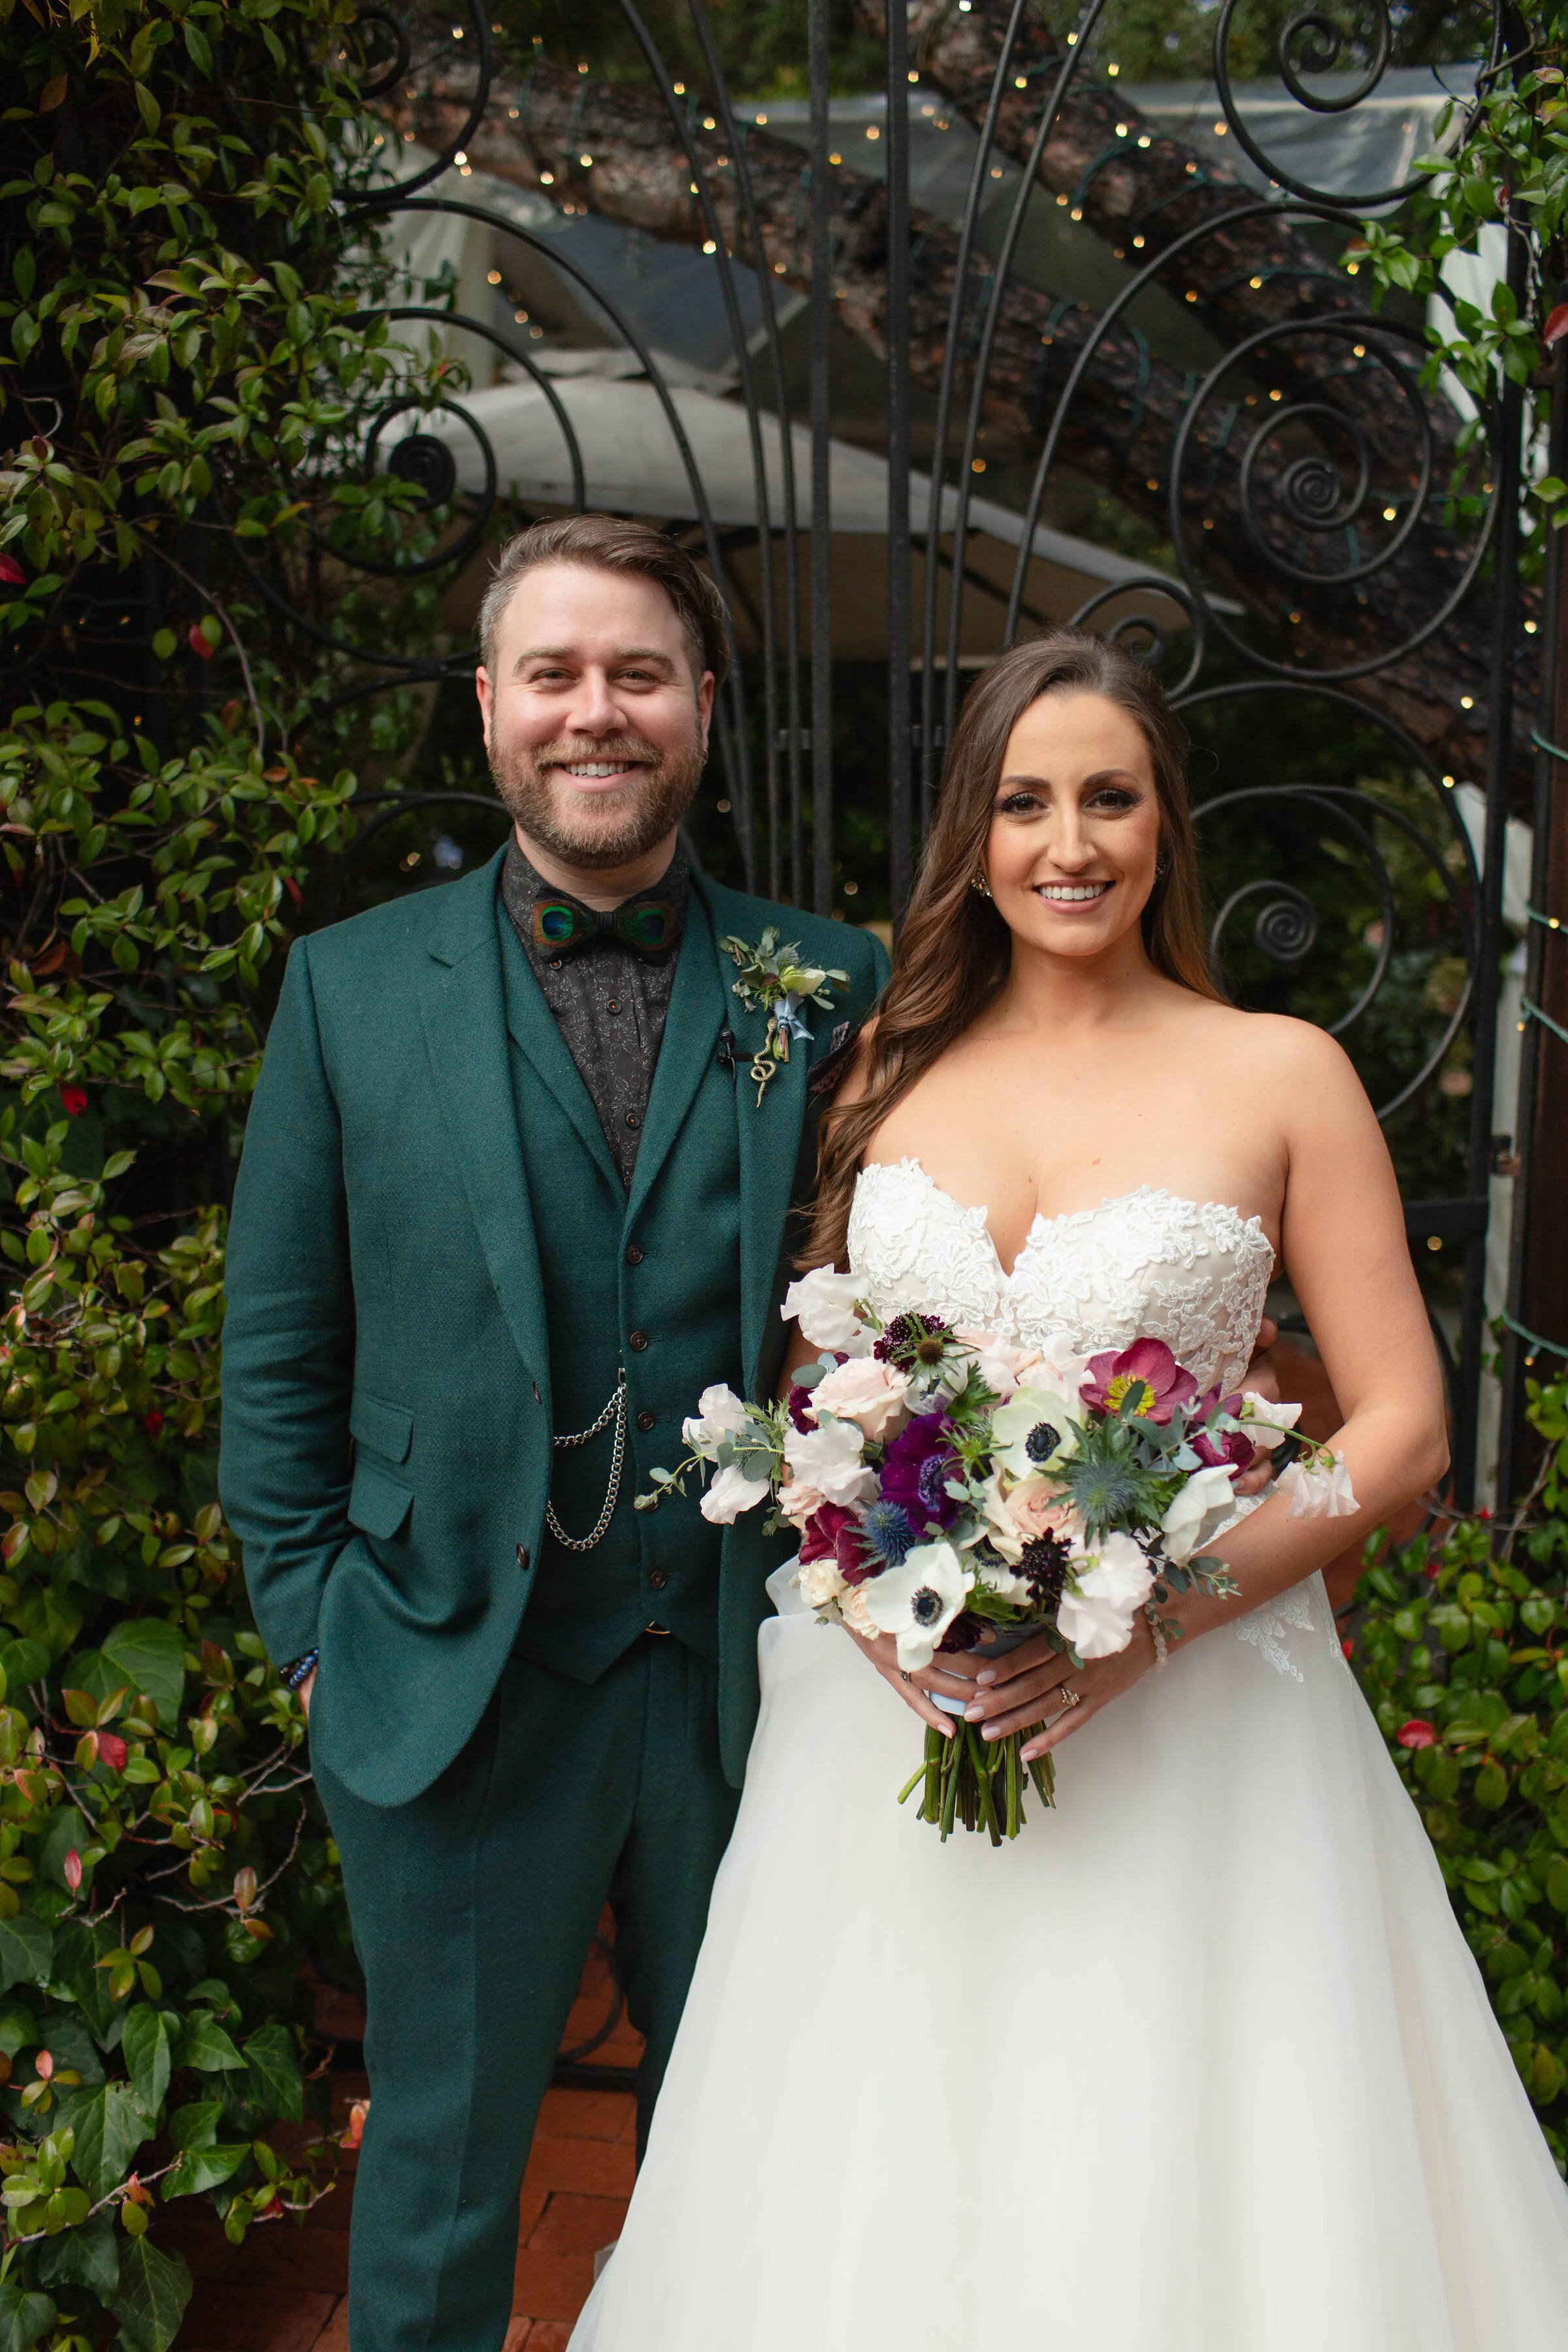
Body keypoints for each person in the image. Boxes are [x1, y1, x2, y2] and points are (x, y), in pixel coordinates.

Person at [569, 629, 1568, 2352]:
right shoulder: (884, 1063)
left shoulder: (1280, 1072)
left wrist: (1147, 1629)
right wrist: (874, 1607)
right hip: (890, 1721)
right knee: (870, 2176)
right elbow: (829, 1393)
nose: (1071, 843)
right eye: (1026, 802)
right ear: (977, 830)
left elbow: (1400, 1425)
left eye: (1111, 797)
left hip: (1201, 1732)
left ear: (1166, 821)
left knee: (1173, 2156)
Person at [217, 514, 888, 2352]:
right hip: (449, 1679)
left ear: (702, 707)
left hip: (755, 1688)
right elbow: (276, 1360)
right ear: (495, 710)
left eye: (639, 674)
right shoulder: (351, 994)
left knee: (748, 2157)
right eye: (556, 674)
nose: (598, 713)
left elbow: (907, 1320)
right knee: (437, 2178)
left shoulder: (831, 985)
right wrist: (313, 1642)